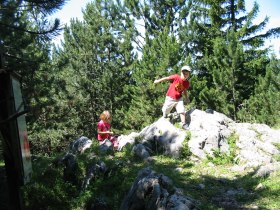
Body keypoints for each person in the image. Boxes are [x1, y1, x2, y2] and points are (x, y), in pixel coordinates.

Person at [154, 65, 191, 130]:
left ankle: (184, 124)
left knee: (181, 110)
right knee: (165, 111)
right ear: (181, 72)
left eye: (187, 74)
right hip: (170, 98)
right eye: (184, 73)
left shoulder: (187, 83)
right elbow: (166, 78)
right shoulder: (176, 77)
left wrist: (187, 98)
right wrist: (158, 81)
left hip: (179, 98)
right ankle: (165, 115)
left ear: (188, 75)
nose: (185, 75)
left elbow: (185, 90)